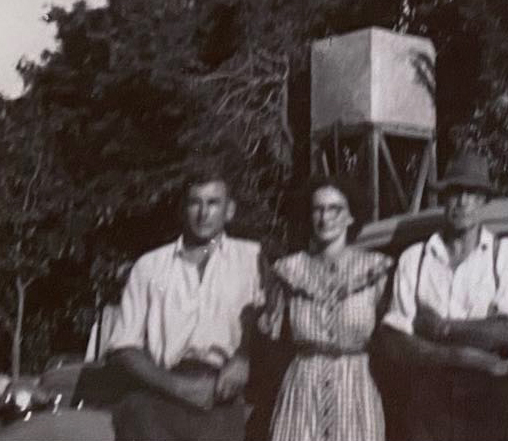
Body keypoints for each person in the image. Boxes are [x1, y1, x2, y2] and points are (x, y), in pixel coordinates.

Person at [378, 151, 508, 441]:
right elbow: (395, 341)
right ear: (443, 199)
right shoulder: (415, 257)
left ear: (484, 201)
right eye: (454, 193)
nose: (463, 202)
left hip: (491, 395)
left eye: (472, 194)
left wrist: (440, 328)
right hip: (429, 396)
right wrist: (463, 355)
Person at [106, 169, 264, 441]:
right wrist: (178, 386)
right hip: (160, 390)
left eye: (213, 203)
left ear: (229, 210)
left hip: (221, 395)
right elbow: (124, 347)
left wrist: (243, 359)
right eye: (195, 203)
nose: (203, 213)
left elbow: (272, 324)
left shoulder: (252, 259)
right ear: (182, 209)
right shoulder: (150, 265)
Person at [260, 177, 393, 441]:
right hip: (303, 390)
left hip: (355, 388)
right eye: (318, 209)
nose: (325, 217)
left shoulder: (375, 270)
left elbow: (390, 337)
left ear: (351, 216)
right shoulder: (289, 270)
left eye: (335, 209)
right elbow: (270, 339)